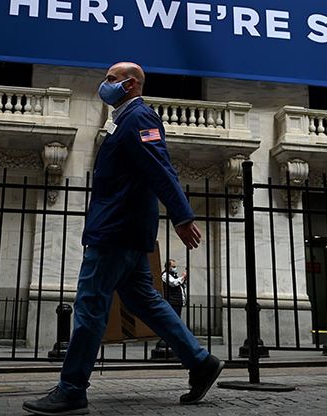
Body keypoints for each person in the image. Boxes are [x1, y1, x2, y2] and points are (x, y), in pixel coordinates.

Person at [23, 62, 223, 415]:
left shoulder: (139, 118)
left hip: (115, 231)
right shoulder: (124, 120)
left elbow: (160, 167)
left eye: (111, 80)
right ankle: (200, 361)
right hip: (127, 232)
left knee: (90, 305)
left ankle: (71, 389)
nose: (104, 85)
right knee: (147, 302)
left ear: (130, 85)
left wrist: (182, 214)